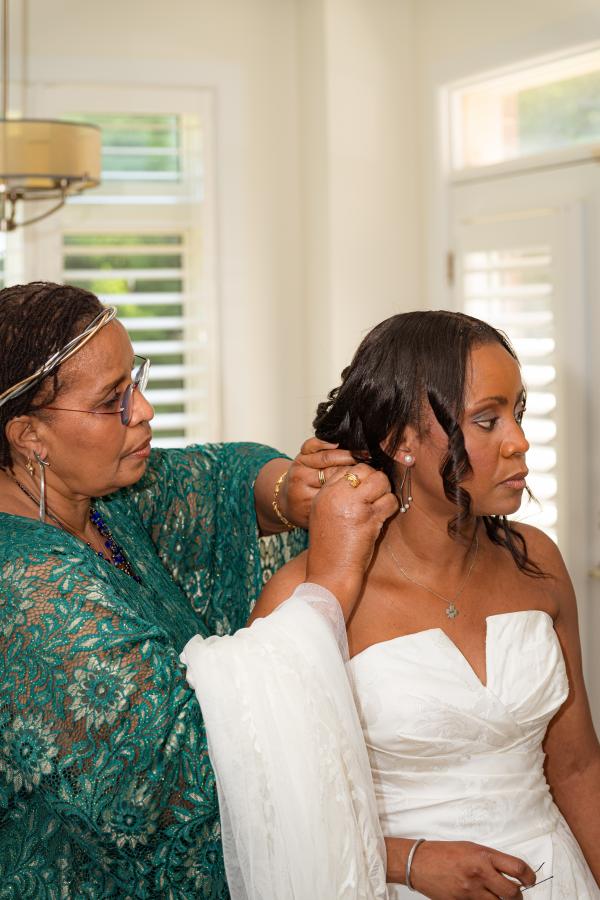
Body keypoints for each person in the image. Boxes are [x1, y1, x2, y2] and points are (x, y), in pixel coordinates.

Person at [0, 281, 396, 898]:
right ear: (30, 437)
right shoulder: (29, 589)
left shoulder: (101, 504)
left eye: (135, 380)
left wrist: (289, 491)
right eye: (111, 401)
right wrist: (332, 582)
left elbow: (219, 477)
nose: (143, 410)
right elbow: (188, 775)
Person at [250, 311, 600, 899]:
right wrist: (407, 860)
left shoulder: (535, 560)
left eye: (518, 413)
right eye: (486, 420)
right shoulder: (305, 596)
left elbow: (577, 765)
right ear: (400, 442)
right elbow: (272, 812)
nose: (519, 441)